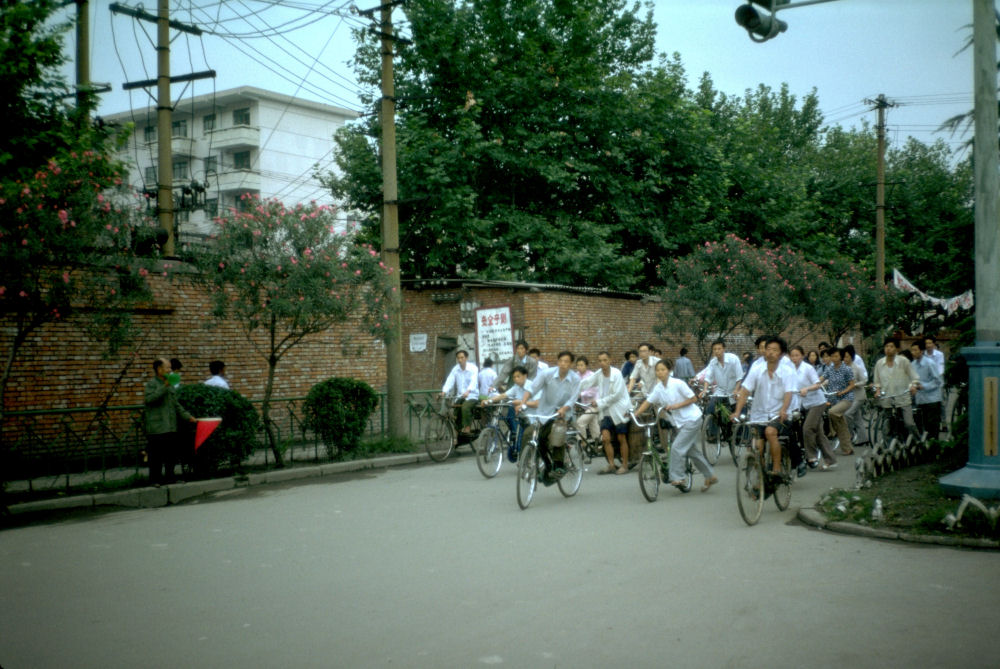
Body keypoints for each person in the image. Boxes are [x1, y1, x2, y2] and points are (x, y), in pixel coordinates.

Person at [634, 359, 718, 491]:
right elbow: (648, 401)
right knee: (692, 451)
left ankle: (679, 477)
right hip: (679, 422)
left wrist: (675, 406)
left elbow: (694, 398)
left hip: (692, 419)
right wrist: (636, 413)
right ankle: (710, 475)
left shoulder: (678, 383)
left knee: (677, 447)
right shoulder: (659, 388)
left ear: (669, 371)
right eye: (657, 370)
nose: (660, 372)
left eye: (663, 370)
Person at [732, 337, 797, 477]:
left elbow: (788, 393)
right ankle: (762, 478)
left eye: (775, 350)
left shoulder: (787, 371)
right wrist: (737, 412)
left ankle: (777, 469)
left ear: (781, 354)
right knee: (757, 446)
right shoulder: (756, 369)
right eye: (768, 349)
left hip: (779, 414)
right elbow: (745, 391)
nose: (770, 353)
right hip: (759, 414)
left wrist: (784, 409)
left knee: (770, 432)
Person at [522, 351, 581, 483]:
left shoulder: (575, 379)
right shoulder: (547, 374)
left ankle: (559, 465)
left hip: (563, 413)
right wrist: (523, 402)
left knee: (557, 433)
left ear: (571, 364)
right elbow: (532, 388)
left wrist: (564, 408)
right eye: (561, 361)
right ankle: (544, 465)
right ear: (557, 362)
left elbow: (573, 398)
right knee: (534, 436)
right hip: (545, 412)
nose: (563, 364)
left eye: (566, 362)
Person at [144, 357, 197, 485]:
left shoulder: (170, 383)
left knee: (171, 455)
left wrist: (188, 416)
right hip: (157, 426)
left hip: (171, 425)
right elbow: (150, 399)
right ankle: (155, 480)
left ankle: (170, 478)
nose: (170, 370)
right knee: (156, 456)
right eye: (167, 368)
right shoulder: (152, 384)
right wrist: (164, 387)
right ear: (159, 369)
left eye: (170, 368)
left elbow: (176, 404)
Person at [579, 351, 632, 474]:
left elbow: (617, 395)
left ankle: (624, 465)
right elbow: (587, 382)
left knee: (621, 437)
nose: (602, 363)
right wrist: (571, 386)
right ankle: (612, 465)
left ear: (610, 360)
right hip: (606, 411)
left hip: (620, 409)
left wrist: (599, 402)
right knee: (605, 438)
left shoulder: (617, 374)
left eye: (604, 360)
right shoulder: (599, 374)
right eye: (600, 361)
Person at [791, 346, 837, 472]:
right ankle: (831, 459)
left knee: (807, 428)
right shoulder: (789, 370)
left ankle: (811, 456)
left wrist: (807, 389)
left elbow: (817, 384)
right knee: (819, 434)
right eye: (792, 355)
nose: (794, 358)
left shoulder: (808, 368)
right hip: (803, 404)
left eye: (797, 355)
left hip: (817, 403)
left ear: (802, 356)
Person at [872, 338, 921, 442]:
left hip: (902, 397)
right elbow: (877, 381)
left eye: (891, 346)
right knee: (887, 426)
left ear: (897, 349)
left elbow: (914, 376)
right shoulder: (879, 363)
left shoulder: (904, 361)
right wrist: (877, 391)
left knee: (909, 423)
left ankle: (918, 442)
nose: (888, 349)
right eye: (886, 346)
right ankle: (889, 449)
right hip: (887, 398)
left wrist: (913, 385)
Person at [482, 365, 533, 460]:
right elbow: (504, 395)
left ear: (525, 376)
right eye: (514, 377)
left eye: (518, 376)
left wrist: (520, 402)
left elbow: (535, 402)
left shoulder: (531, 385)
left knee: (523, 435)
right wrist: (489, 401)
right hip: (519, 414)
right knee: (514, 427)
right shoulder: (516, 387)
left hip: (530, 416)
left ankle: (524, 456)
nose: (516, 379)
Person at [701, 339, 743, 440]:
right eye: (714, 349)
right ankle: (713, 434)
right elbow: (708, 377)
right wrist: (705, 389)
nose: (717, 351)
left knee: (737, 410)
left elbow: (739, 377)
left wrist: (736, 390)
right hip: (720, 390)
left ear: (724, 349)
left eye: (719, 348)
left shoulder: (733, 359)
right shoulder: (713, 362)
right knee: (711, 407)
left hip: (733, 390)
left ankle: (739, 435)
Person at [821, 348, 857, 455]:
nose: (833, 358)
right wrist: (812, 384)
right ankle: (847, 448)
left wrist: (842, 392)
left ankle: (838, 436)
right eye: (832, 356)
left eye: (836, 356)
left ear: (841, 357)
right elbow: (821, 378)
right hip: (833, 399)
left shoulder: (846, 369)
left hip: (846, 398)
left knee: (832, 412)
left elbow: (852, 385)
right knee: (841, 424)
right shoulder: (830, 369)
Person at [439, 349, 479, 434]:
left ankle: (467, 427)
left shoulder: (473, 368)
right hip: (460, 396)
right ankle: (457, 433)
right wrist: (444, 391)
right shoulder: (455, 369)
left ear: (466, 358)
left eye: (462, 357)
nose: (460, 360)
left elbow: (474, 381)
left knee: (465, 407)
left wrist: (468, 391)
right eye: (458, 358)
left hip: (472, 395)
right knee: (456, 411)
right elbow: (450, 380)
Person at [910, 339, 943, 439]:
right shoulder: (913, 364)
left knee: (932, 427)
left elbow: (938, 381)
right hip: (920, 400)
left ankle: (934, 449)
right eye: (912, 350)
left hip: (932, 399)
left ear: (921, 351)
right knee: (923, 427)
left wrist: (923, 386)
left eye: (915, 350)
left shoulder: (930, 363)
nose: (913, 353)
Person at [842, 348, 868, 446]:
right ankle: (863, 439)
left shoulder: (857, 368)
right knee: (857, 418)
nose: (845, 359)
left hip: (859, 396)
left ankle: (851, 435)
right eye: (844, 357)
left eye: (847, 357)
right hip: (850, 397)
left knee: (847, 414)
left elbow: (865, 380)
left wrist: (855, 384)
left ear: (852, 357)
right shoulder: (843, 369)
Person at [574, 356, 601, 444]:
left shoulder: (592, 375)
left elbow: (593, 391)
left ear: (586, 366)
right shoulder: (576, 375)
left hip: (594, 404)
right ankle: (598, 444)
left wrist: (580, 394)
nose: (579, 367)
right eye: (578, 365)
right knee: (593, 424)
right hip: (584, 405)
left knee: (580, 422)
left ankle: (583, 442)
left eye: (582, 365)